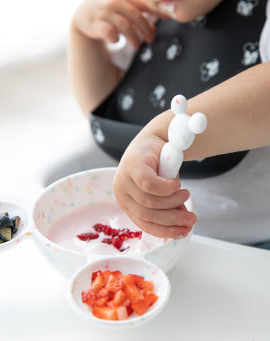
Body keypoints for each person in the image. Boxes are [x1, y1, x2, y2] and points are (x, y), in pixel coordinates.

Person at [69, 0, 270, 246]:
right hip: (152, 238)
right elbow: (109, 108)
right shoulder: (151, 16)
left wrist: (167, 135)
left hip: (250, 244)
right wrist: (83, 36)